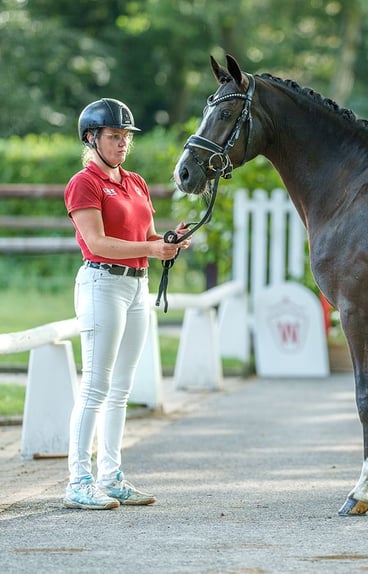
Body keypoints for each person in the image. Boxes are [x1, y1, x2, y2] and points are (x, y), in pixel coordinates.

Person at [63, 98, 191, 510]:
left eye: (125, 137)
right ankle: (78, 480)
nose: (122, 144)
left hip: (138, 286)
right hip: (102, 283)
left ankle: (111, 475)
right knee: (95, 387)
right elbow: (97, 242)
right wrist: (152, 249)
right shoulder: (84, 183)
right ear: (92, 138)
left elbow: (149, 233)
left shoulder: (134, 182)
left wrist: (166, 242)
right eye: (114, 137)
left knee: (120, 389)